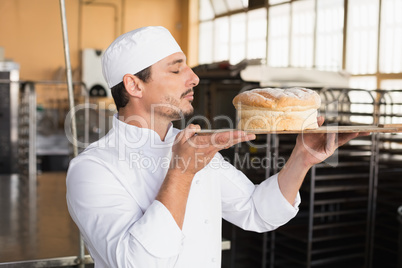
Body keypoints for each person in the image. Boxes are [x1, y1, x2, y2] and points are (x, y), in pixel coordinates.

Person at [66, 26, 365, 268]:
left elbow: (257, 211)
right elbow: (139, 263)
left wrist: (302, 157)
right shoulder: (93, 169)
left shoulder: (191, 147)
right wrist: (181, 173)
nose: (193, 78)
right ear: (134, 86)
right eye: (175, 70)